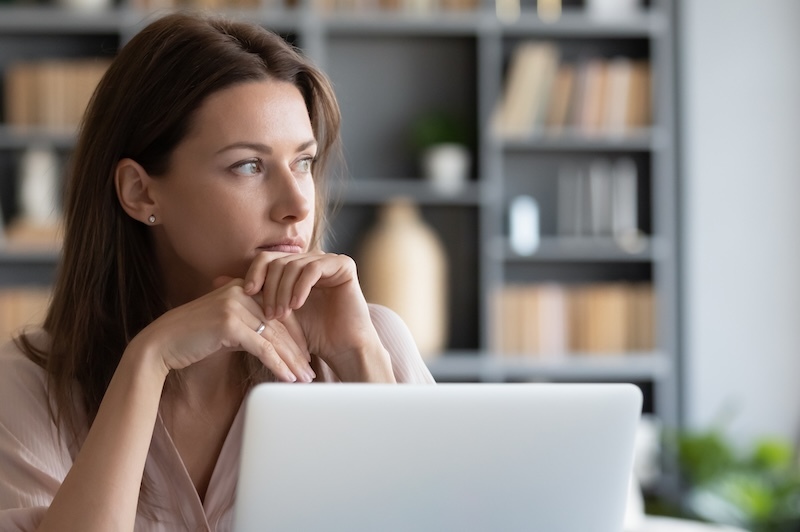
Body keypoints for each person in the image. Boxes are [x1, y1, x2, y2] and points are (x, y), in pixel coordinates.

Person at [0, 10, 435, 531]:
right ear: (141, 192)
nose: (298, 203)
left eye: (303, 162)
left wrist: (360, 359)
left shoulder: (373, 342)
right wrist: (148, 360)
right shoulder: (27, 386)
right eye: (248, 166)